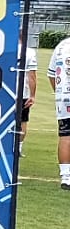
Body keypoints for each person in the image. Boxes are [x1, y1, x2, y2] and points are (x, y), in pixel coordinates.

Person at [47, 32, 70, 190]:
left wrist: (59, 92)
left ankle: (66, 176)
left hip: (64, 97)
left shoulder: (61, 46)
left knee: (65, 135)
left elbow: (51, 75)